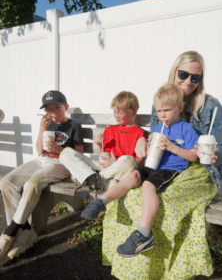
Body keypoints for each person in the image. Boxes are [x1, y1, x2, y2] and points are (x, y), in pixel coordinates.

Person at [102, 51, 222, 280]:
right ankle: (139, 270)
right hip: (167, 165)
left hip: (201, 170)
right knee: (131, 197)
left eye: (195, 78)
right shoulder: (161, 100)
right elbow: (156, 134)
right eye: (183, 74)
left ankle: (173, 272)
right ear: (174, 73)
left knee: (167, 204)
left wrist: (215, 155)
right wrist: (144, 138)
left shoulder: (211, 105)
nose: (188, 81)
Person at [81, 83, 200, 257]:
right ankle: (101, 202)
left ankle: (144, 234)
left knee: (147, 186)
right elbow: (146, 151)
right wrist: (149, 145)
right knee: (133, 176)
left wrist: (172, 147)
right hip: (153, 165)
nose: (162, 115)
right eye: (159, 111)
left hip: (170, 169)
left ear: (180, 107)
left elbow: (193, 156)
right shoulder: (159, 128)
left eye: (167, 110)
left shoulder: (186, 129)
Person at [0, 90, 84, 265]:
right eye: (49, 109)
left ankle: (10, 232)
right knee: (6, 182)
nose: (53, 112)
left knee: (33, 184)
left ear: (66, 107)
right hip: (42, 160)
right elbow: (39, 150)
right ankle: (23, 233)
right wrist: (42, 128)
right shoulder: (47, 124)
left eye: (57, 108)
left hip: (62, 164)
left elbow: (79, 155)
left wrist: (59, 150)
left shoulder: (74, 126)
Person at [59, 91, 147, 193]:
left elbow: (136, 163)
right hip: (102, 170)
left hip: (118, 171)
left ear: (134, 112)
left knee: (128, 160)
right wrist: (99, 145)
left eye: (120, 112)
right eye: (114, 111)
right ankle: (96, 180)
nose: (116, 115)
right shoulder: (109, 130)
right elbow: (103, 157)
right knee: (65, 153)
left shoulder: (139, 133)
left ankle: (89, 179)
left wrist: (115, 163)